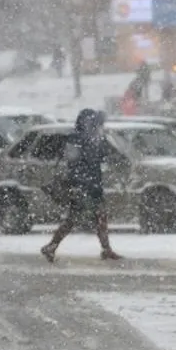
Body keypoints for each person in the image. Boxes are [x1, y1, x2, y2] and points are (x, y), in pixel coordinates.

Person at [40, 109, 122, 263]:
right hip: (82, 186)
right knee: (80, 218)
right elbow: (73, 161)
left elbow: (103, 155)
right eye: (95, 123)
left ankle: (105, 249)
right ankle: (51, 246)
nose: (98, 126)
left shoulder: (94, 138)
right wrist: (81, 181)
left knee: (95, 217)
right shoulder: (77, 139)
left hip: (93, 185)